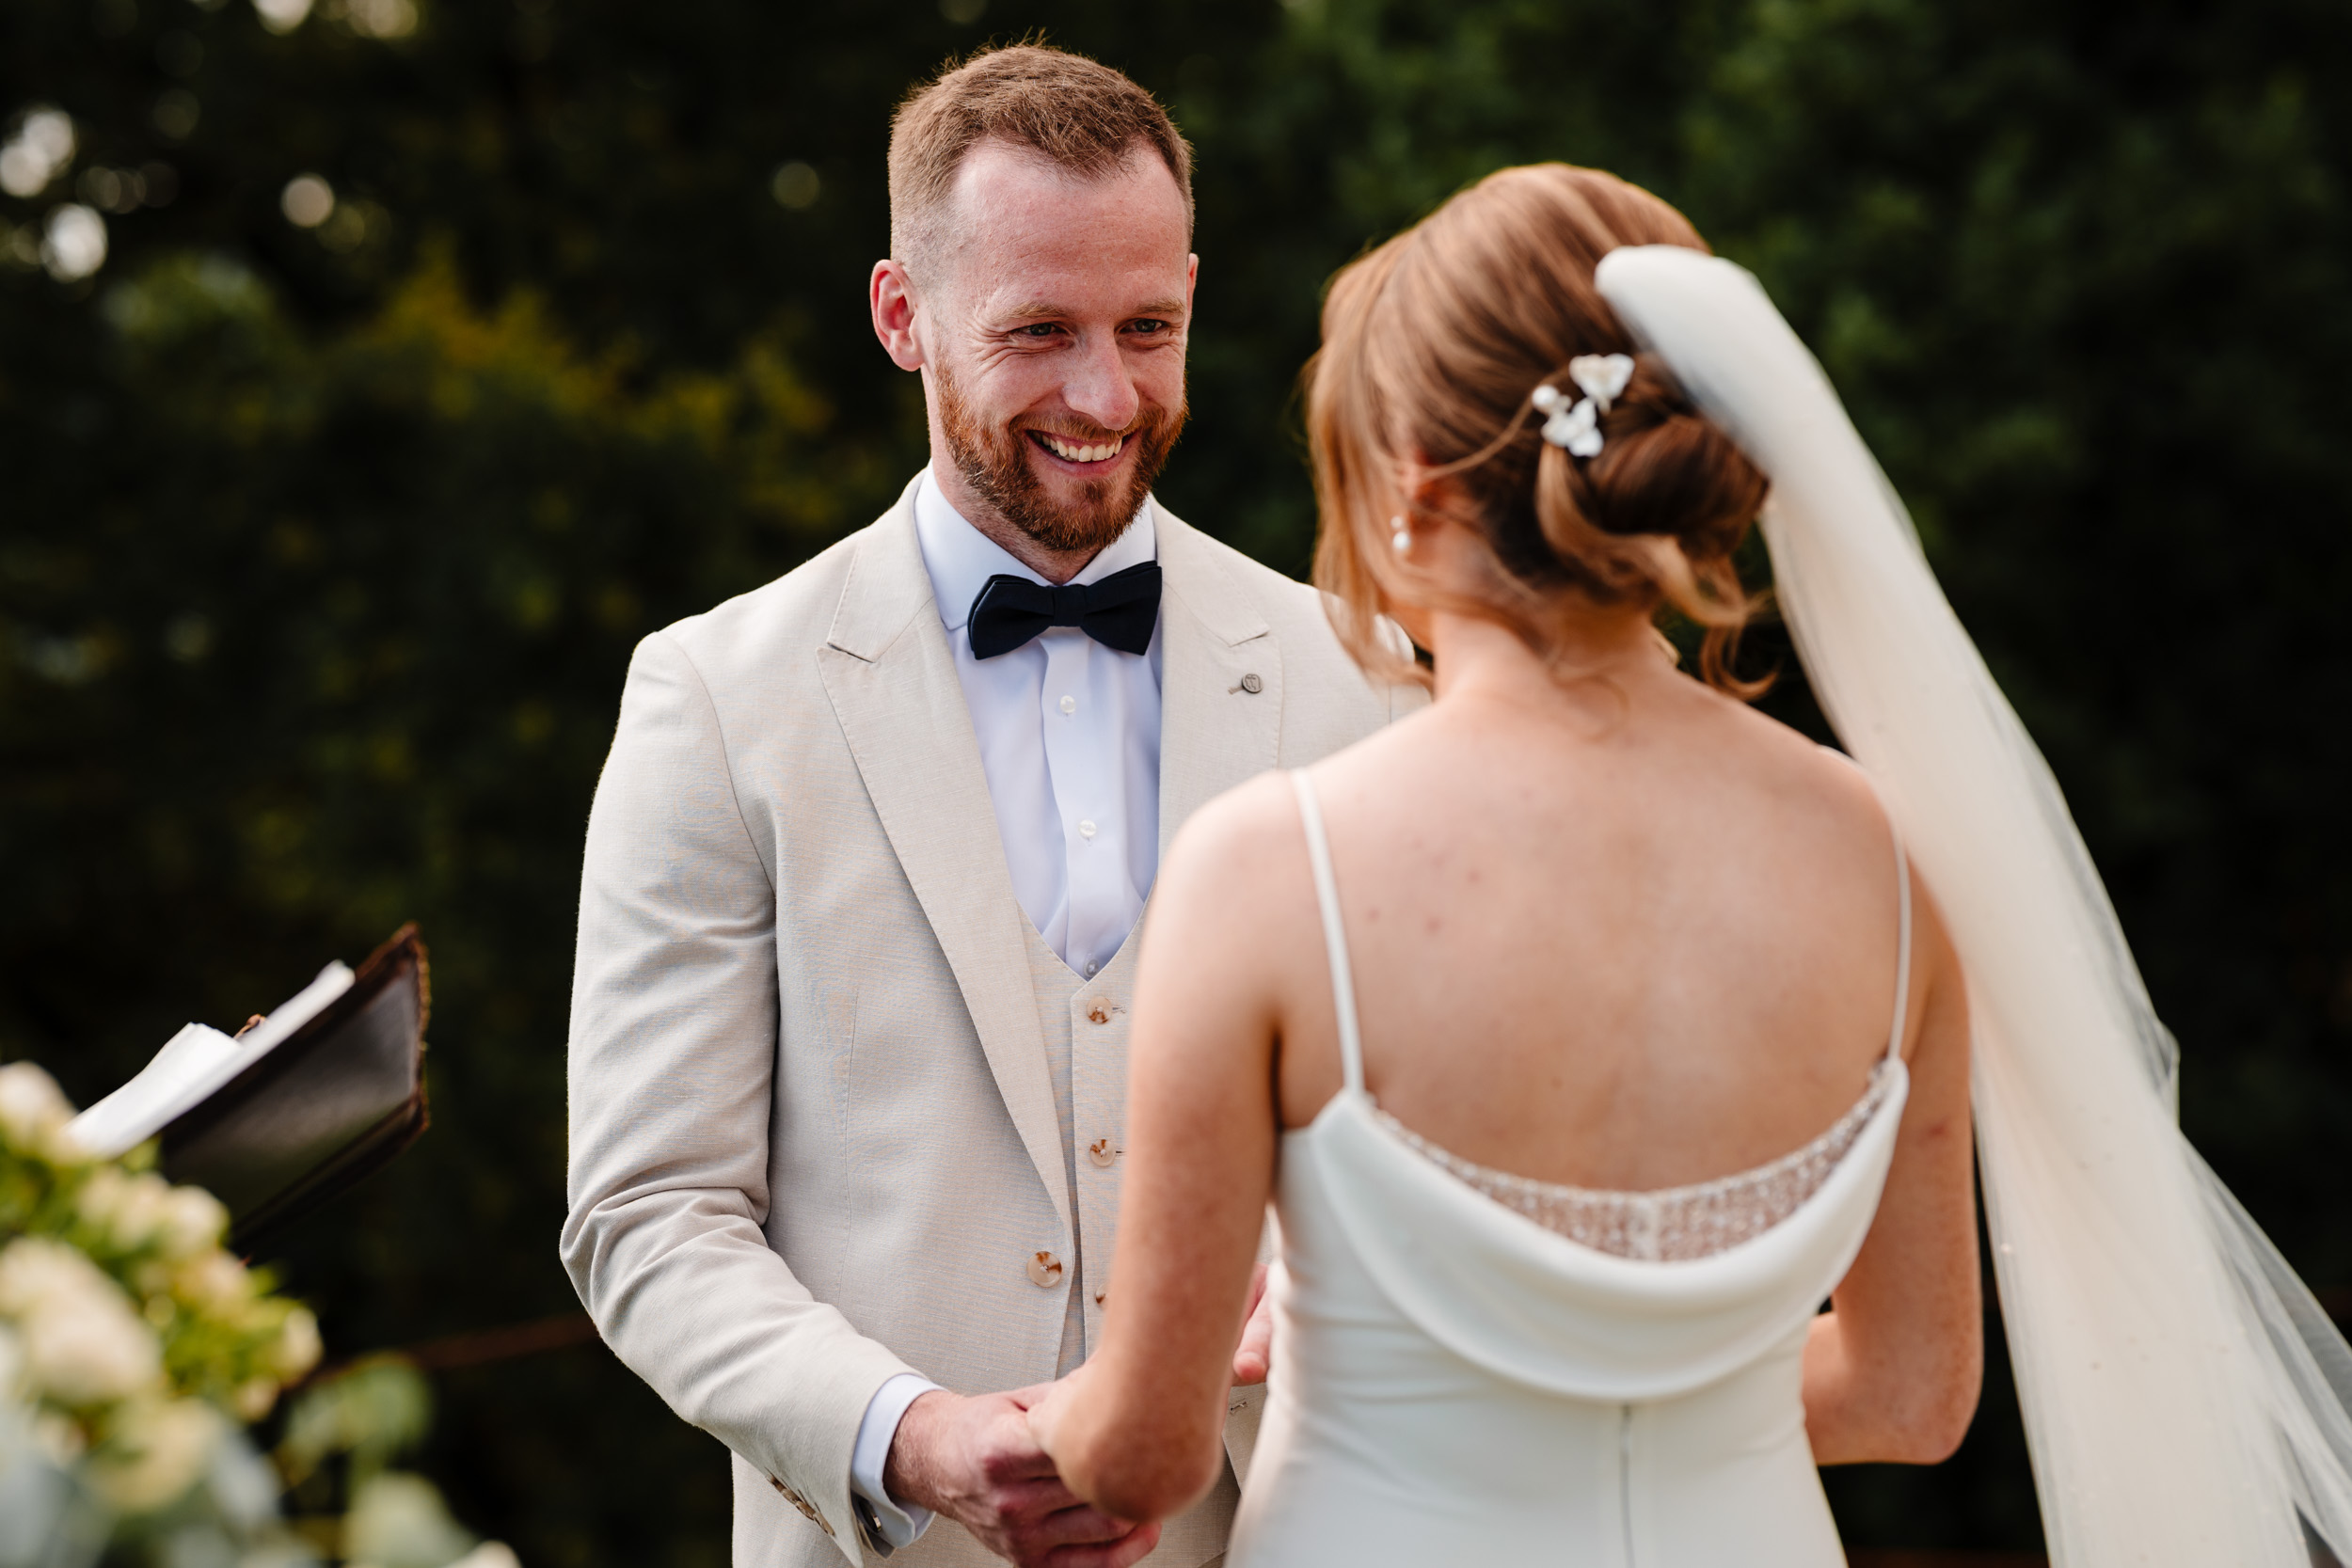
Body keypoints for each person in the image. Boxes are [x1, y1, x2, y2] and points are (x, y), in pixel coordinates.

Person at [1036, 159, 2352, 1567]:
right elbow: (1915, 1398)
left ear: (1410, 487)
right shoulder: (1890, 867)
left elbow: (1150, 1453)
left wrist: (999, 1427)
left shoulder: (1270, 868)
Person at [560, 43, 1419, 1568]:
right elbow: (648, 1216)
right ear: (905, 316)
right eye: (1038, 332)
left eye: (1147, 327)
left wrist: (1348, 1266)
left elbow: (1436, 1127)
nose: (1104, 397)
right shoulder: (713, 700)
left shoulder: (1356, 674)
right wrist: (915, 1439)